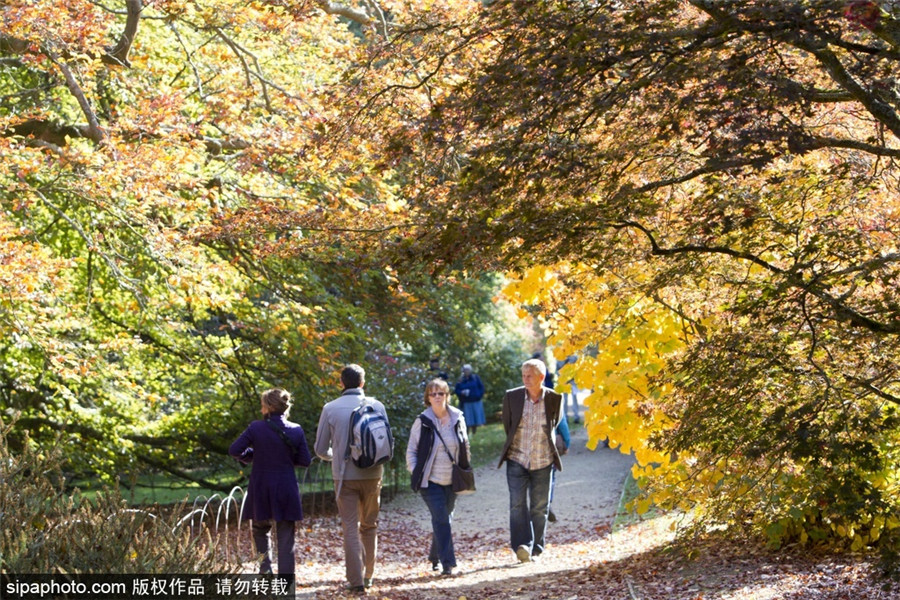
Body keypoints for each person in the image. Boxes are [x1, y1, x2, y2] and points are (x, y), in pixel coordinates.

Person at [314, 364, 389, 593]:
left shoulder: (330, 408)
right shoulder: (377, 405)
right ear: (362, 383)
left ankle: (355, 582)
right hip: (373, 474)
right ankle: (369, 576)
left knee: (350, 526)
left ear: (341, 383)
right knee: (370, 526)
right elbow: (386, 443)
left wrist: (335, 456)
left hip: (344, 476)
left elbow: (319, 448)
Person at [229, 388, 312, 577]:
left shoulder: (256, 428)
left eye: (262, 406)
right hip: (286, 486)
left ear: (269, 407)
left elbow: (235, 450)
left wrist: (253, 455)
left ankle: (265, 571)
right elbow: (305, 460)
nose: (261, 410)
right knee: (285, 536)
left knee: (260, 529)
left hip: (261, 486)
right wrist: (285, 458)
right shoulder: (296, 430)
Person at [498, 358, 563, 563]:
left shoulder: (554, 399)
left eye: (530, 376)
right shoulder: (512, 397)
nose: (525, 379)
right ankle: (521, 545)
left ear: (541, 377)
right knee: (517, 504)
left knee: (539, 507)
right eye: (523, 375)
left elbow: (555, 423)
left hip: (543, 460)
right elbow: (508, 425)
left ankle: (536, 547)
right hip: (517, 458)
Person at [407, 378, 471, 576]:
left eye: (440, 393)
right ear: (428, 397)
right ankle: (448, 563)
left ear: (447, 396)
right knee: (442, 518)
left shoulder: (457, 418)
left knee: (443, 518)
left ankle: (435, 555)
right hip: (430, 481)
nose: (436, 397)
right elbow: (411, 450)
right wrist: (416, 470)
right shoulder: (422, 421)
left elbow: (465, 445)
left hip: (452, 479)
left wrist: (465, 467)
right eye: (432, 394)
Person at [547, 415, 570, 523]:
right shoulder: (554, 401)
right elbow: (562, 424)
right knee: (550, 475)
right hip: (550, 445)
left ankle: (536, 503)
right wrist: (566, 443)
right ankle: (547, 502)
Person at [453, 364, 486, 435]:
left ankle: (474, 433)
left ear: (470, 370)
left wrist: (479, 395)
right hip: (466, 402)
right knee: (467, 420)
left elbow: (481, 388)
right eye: (465, 370)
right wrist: (461, 392)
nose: (466, 371)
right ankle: (466, 433)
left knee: (475, 418)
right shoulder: (461, 380)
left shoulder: (475, 378)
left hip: (476, 401)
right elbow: (456, 390)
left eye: (468, 370)